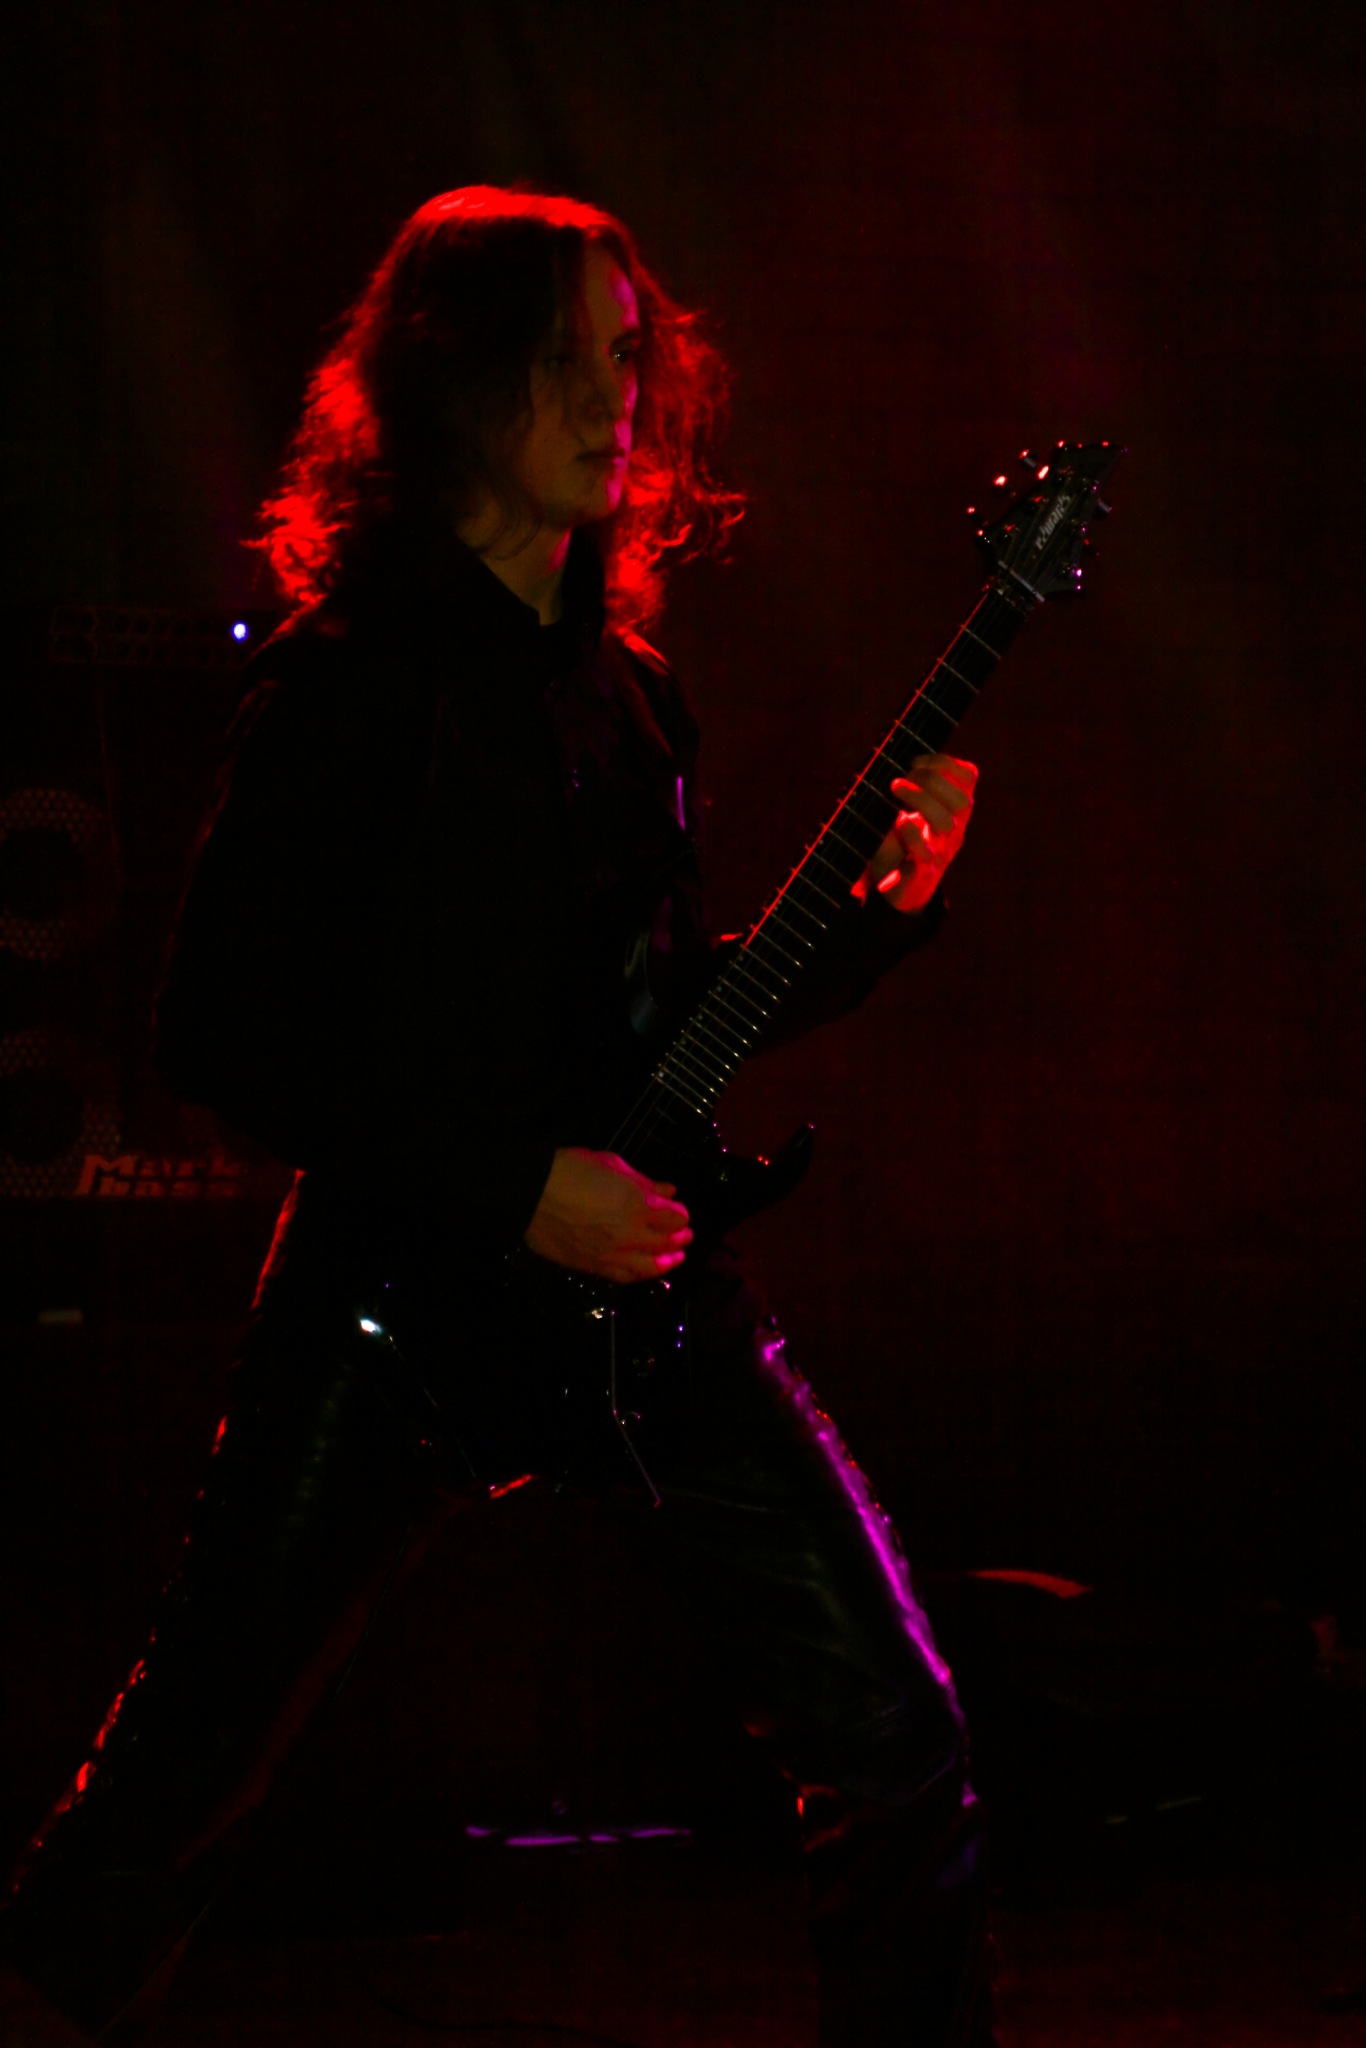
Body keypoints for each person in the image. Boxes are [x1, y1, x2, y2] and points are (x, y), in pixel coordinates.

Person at [0, 186, 989, 2045]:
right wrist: (509, 1180)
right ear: (454, 383)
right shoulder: (344, 685)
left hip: (643, 1302)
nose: (619, 399)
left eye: (630, 355)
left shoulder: (632, 696)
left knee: (895, 1736)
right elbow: (220, 1026)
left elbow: (667, 1020)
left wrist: (885, 916)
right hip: (389, 1311)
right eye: (567, 358)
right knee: (178, 1784)